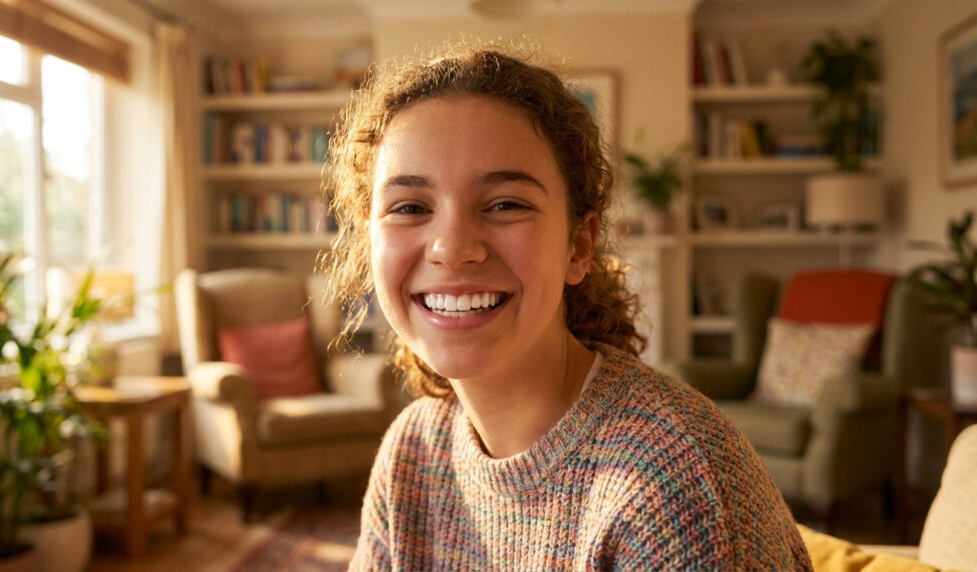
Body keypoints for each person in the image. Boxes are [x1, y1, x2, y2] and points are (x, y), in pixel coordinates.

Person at [320, 42, 811, 571]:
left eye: (506, 204)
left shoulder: (674, 482)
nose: (452, 248)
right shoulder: (412, 453)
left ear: (580, 245)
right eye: (410, 207)